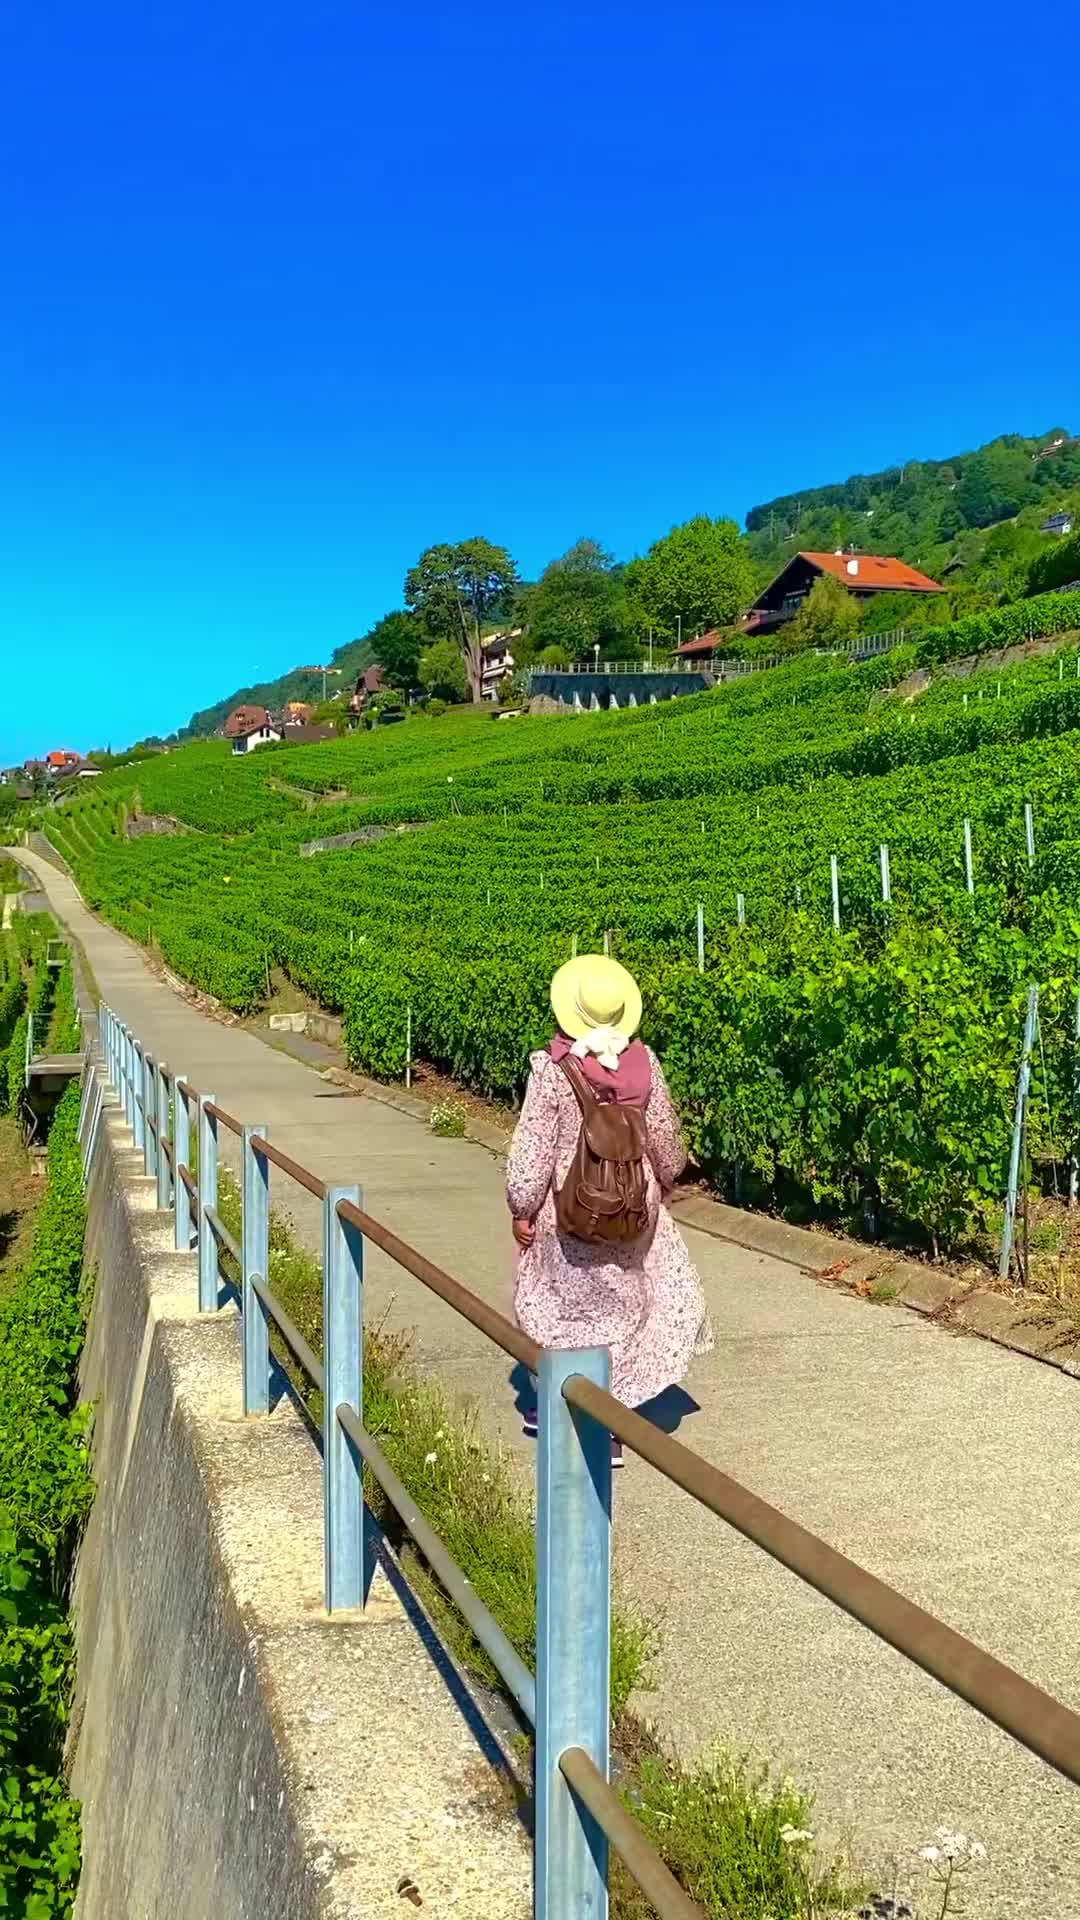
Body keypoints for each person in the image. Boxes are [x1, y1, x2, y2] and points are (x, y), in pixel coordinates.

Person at [506, 952, 712, 1463]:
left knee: (562, 1306)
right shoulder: (643, 1064)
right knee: (624, 1306)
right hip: (632, 1208)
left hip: (569, 1208)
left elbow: (532, 1149)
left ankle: (559, 1402)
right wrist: (662, 1184)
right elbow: (666, 1140)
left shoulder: (552, 1068)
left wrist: (522, 1208)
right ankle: (613, 1418)